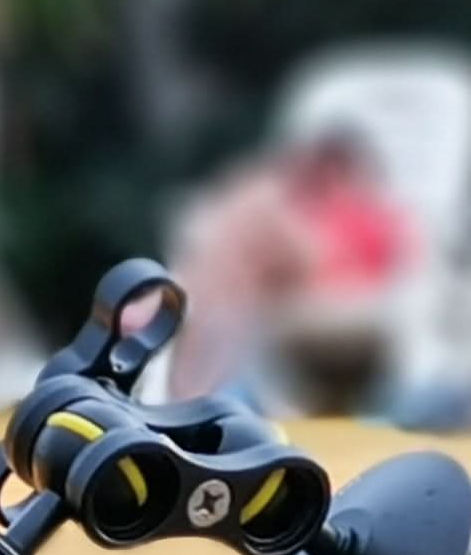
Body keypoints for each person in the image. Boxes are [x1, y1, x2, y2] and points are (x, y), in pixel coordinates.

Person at [166, 125, 405, 403]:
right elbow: (303, 258)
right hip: (233, 307)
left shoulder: (280, 198)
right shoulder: (271, 199)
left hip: (230, 306)